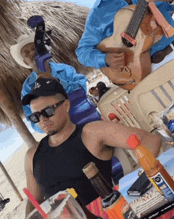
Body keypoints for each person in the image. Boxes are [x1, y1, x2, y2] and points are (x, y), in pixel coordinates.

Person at [23, 77, 161, 217]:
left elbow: (149, 141)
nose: (42, 119)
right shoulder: (32, 155)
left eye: (47, 111)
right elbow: (34, 201)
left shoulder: (91, 132)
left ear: (66, 105)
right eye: (35, 116)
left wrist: (131, 187)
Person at [10, 32, 87, 132]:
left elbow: (82, 91)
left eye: (34, 48)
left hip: (85, 119)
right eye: (26, 53)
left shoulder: (64, 69)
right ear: (25, 62)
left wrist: (55, 81)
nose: (32, 53)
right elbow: (34, 124)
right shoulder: (27, 88)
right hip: (62, 134)